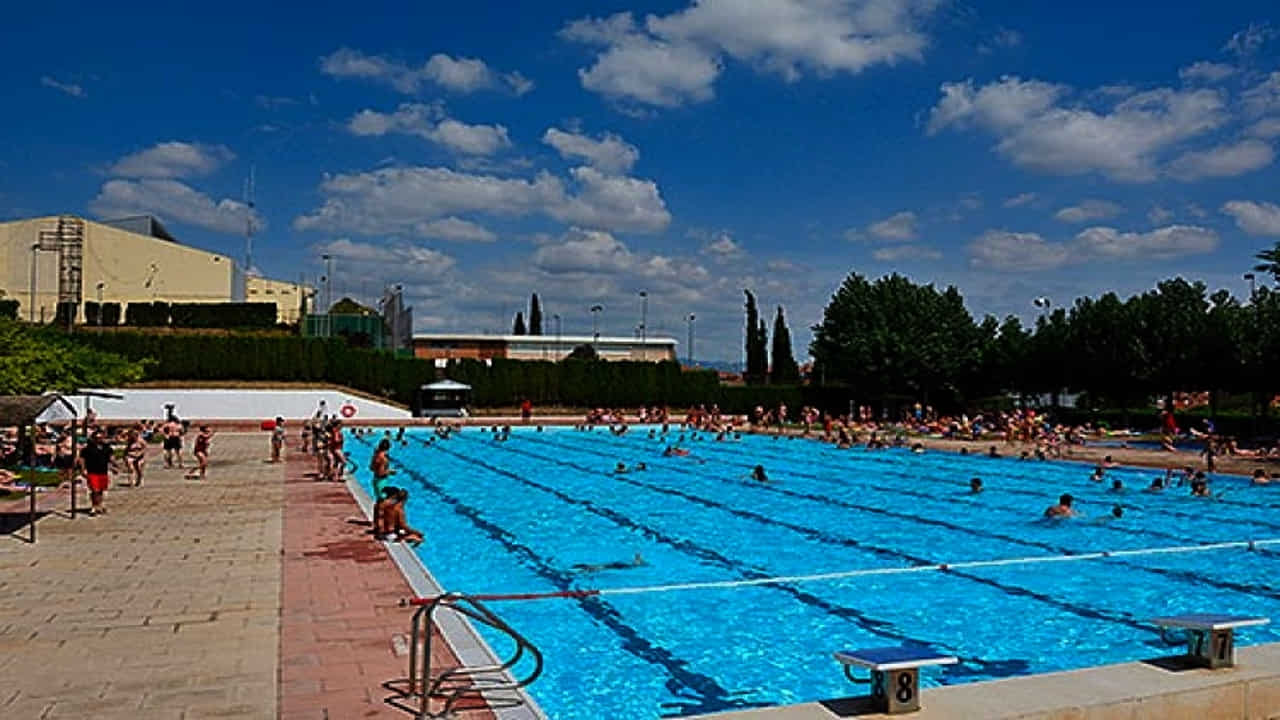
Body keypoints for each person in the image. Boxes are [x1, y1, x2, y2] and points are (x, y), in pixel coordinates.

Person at [77, 429, 118, 516]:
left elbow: (110, 458)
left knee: (101, 490)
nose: (98, 439)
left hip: (103, 471)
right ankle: (94, 506)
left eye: (100, 438)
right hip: (92, 471)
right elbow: (82, 459)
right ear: (93, 438)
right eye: (96, 438)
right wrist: (82, 469)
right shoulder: (87, 449)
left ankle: (100, 504)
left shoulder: (107, 448)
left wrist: (115, 466)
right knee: (94, 490)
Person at [572, 553, 647, 573]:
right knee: (630, 566)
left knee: (630, 566)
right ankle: (638, 561)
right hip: (612, 565)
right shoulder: (593, 567)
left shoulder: (592, 568)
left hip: (612, 566)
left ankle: (638, 561)